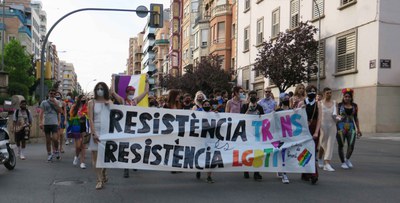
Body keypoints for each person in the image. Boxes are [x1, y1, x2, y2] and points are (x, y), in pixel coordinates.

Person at [112, 77, 149, 178]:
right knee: (125, 147)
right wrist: (113, 79)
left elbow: (146, 91)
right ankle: (126, 169)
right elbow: (113, 92)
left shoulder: (135, 101)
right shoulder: (122, 101)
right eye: (130, 92)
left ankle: (133, 163)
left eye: (133, 92)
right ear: (126, 93)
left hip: (134, 127)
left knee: (134, 146)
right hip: (125, 127)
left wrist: (147, 81)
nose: (132, 93)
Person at [88, 82, 112, 190]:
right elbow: (90, 119)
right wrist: (93, 133)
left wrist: (109, 105)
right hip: (96, 130)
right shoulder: (91, 102)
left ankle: (104, 172)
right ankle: (99, 180)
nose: (100, 90)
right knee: (95, 156)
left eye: (102, 88)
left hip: (107, 131)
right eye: (98, 88)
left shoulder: (110, 102)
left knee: (106, 156)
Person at [298, 85, 321, 184]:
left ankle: (313, 174)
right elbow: (295, 116)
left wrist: (316, 131)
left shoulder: (318, 104)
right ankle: (307, 173)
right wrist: (300, 110)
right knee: (305, 150)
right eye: (310, 91)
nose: (312, 93)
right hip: (304, 129)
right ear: (306, 93)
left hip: (314, 128)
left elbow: (320, 119)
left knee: (313, 151)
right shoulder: (301, 103)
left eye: (314, 91)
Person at [240, 90, 264, 181]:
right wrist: (249, 110)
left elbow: (264, 119)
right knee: (247, 151)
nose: (253, 98)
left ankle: (256, 172)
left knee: (257, 152)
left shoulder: (260, 107)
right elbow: (241, 118)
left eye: (254, 96)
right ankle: (246, 169)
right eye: (251, 96)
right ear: (248, 97)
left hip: (257, 133)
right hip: (247, 132)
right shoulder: (245, 106)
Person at [337, 88, 362, 169]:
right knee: (341, 145)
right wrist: (337, 118)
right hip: (340, 127)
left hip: (351, 127)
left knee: (351, 145)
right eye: (345, 96)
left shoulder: (355, 106)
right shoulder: (339, 105)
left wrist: (358, 129)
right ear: (343, 97)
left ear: (351, 97)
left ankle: (347, 159)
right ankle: (343, 162)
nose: (347, 98)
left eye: (348, 97)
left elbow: (356, 118)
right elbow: (336, 115)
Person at [195, 100, 215, 183]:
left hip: (210, 138)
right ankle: (198, 169)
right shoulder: (198, 114)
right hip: (200, 138)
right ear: (202, 106)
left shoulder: (214, 114)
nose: (207, 105)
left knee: (209, 157)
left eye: (208, 104)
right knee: (200, 154)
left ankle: (209, 176)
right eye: (205, 104)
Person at [40, 89, 62, 162]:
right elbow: (41, 113)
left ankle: (56, 150)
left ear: (55, 95)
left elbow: (60, 111)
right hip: (46, 122)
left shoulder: (58, 102)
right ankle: (49, 154)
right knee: (48, 140)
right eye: (51, 93)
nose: (52, 94)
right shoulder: (44, 102)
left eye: (53, 93)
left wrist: (55, 103)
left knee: (55, 139)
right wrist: (41, 122)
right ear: (48, 94)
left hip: (54, 122)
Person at [318, 87, 337, 172]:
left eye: (330, 93)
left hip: (332, 125)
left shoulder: (335, 103)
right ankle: (320, 158)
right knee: (323, 143)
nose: (329, 94)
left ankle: (327, 163)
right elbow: (319, 116)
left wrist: (339, 117)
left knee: (330, 144)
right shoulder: (320, 103)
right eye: (327, 93)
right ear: (324, 94)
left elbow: (337, 114)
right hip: (323, 125)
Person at [69, 95, 88, 169]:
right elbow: (70, 115)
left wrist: (84, 115)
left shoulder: (87, 106)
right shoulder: (74, 106)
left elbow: (90, 115)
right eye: (82, 98)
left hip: (85, 126)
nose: (83, 100)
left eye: (85, 98)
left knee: (83, 145)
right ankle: (76, 156)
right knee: (78, 146)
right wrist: (77, 115)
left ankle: (82, 162)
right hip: (76, 126)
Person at [275, 93, 291, 184]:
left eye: (287, 98)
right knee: (282, 153)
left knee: (286, 154)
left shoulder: (293, 110)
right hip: (280, 136)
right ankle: (283, 172)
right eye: (284, 98)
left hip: (289, 136)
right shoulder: (278, 111)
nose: (286, 99)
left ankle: (283, 171)